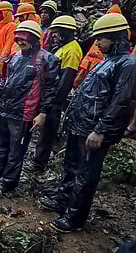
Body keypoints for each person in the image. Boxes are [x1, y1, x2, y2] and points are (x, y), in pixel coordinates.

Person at [40, 13, 136, 233]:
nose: (98, 43)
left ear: (116, 37)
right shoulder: (107, 62)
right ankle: (62, 202)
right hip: (81, 126)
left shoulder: (128, 64)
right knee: (71, 166)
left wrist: (100, 130)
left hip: (94, 130)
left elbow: (120, 101)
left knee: (86, 174)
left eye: (102, 38)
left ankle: (74, 218)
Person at [0, 21, 60, 194]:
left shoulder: (46, 59)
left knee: (16, 150)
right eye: (18, 39)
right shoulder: (15, 57)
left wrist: (43, 112)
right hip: (6, 108)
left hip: (24, 113)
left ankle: (8, 182)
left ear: (34, 38)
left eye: (24, 39)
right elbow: (5, 81)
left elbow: (51, 89)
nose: (20, 42)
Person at [25, 16, 82, 173]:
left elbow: (66, 79)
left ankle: (39, 163)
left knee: (48, 131)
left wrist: (53, 101)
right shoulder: (64, 47)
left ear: (66, 32)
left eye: (57, 32)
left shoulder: (72, 50)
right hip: (48, 95)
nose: (54, 35)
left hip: (54, 99)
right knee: (42, 130)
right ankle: (37, 158)